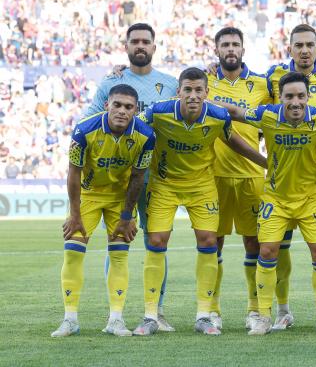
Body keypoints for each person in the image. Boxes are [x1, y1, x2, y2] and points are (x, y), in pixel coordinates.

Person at [132, 68, 266, 336]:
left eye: (198, 90)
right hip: (164, 185)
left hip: (202, 187)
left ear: (207, 93)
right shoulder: (158, 111)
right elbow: (134, 132)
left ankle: (204, 315)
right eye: (187, 90)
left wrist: (265, 162)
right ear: (179, 91)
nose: (193, 96)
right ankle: (150, 316)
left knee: (208, 241)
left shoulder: (218, 116)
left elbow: (234, 142)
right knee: (156, 242)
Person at [218, 72, 316, 336]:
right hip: (276, 199)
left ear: (308, 97)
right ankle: (264, 316)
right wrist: (195, 99)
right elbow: (233, 111)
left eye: (300, 96)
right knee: (267, 252)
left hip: (312, 199)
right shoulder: (268, 116)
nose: (295, 102)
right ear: (281, 98)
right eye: (289, 96)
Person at [85, 23, 179, 332]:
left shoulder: (169, 83)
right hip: (116, 180)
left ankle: (157, 311)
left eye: (146, 41)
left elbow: (190, 107)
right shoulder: (111, 82)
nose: (140, 45)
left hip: (156, 178)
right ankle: (117, 313)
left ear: (154, 46)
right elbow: (86, 121)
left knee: (157, 241)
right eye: (134, 41)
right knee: (117, 243)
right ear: (126, 46)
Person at [51, 85, 155, 337]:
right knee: (73, 252)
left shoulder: (147, 136)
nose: (121, 111)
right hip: (88, 195)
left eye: (128, 107)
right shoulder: (83, 130)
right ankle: (70, 319)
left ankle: (116, 320)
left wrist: (127, 216)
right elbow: (73, 173)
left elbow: (138, 177)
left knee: (119, 255)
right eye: (117, 105)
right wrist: (74, 214)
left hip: (121, 198)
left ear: (135, 110)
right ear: (107, 105)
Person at [265, 24, 316, 330]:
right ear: (290, 49)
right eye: (299, 45)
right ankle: (282, 310)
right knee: (278, 243)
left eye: (310, 45)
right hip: (282, 169)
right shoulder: (272, 76)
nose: (305, 50)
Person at [206, 27, 273, 330]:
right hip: (214, 175)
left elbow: (276, 120)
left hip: (251, 176)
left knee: (254, 244)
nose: (230, 49)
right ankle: (213, 310)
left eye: (235, 44)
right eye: (225, 45)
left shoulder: (262, 84)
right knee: (213, 243)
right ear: (216, 49)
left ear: (243, 50)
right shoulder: (204, 81)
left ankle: (254, 309)